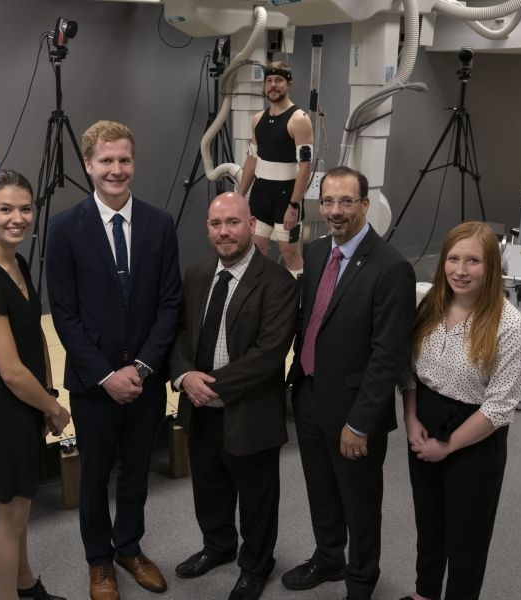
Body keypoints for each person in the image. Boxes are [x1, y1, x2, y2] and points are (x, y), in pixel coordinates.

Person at [46, 120, 182, 600]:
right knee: (94, 476)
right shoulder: (63, 228)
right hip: (93, 382)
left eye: (124, 159)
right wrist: (106, 374)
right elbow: (62, 313)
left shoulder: (159, 223)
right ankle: (98, 561)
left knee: (138, 471)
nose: (116, 169)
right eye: (106, 160)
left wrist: (141, 369)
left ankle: (129, 547)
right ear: (88, 165)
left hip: (144, 381)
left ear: (133, 162)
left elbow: (170, 305)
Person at [283, 166, 416, 600]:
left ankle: (361, 581)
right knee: (321, 489)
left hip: (354, 410)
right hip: (309, 393)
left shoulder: (392, 268)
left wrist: (360, 423)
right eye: (327, 202)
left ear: (365, 204)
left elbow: (388, 355)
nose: (335, 211)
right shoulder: (318, 251)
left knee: (359, 503)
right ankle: (328, 558)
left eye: (346, 202)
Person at [169, 192, 299, 600]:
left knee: (257, 495)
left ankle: (257, 564)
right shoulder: (196, 272)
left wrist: (209, 387)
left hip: (249, 410)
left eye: (232, 222)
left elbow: (269, 354)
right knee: (208, 485)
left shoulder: (277, 282)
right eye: (215, 224)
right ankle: (218, 546)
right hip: (199, 407)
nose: (224, 232)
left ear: (250, 224)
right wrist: (184, 376)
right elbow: (181, 334)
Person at [398, 221, 521, 600]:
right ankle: (425, 593)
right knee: (430, 524)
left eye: (473, 261)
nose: (460, 270)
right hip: (424, 417)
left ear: (491, 267)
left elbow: (500, 405)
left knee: (466, 538)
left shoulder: (511, 326)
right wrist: (410, 418)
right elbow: (408, 368)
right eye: (453, 259)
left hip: (475, 434)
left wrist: (447, 446)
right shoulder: (431, 305)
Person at [0, 169, 71, 600]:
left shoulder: (17, 261)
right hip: (6, 408)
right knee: (8, 520)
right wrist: (53, 408)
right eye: (5, 209)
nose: (18, 218)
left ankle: (27, 587)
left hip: (28, 401)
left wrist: (48, 393)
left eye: (25, 208)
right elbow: (9, 369)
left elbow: (34, 335)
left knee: (22, 512)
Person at [237, 61, 314, 274]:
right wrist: (240, 196)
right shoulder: (257, 119)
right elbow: (252, 160)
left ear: (289, 84)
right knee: (256, 251)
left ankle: (299, 303)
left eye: (279, 80)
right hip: (261, 195)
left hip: (286, 197)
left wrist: (295, 205)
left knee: (290, 254)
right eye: (269, 81)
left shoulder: (300, 120)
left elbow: (305, 166)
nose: (273, 85)